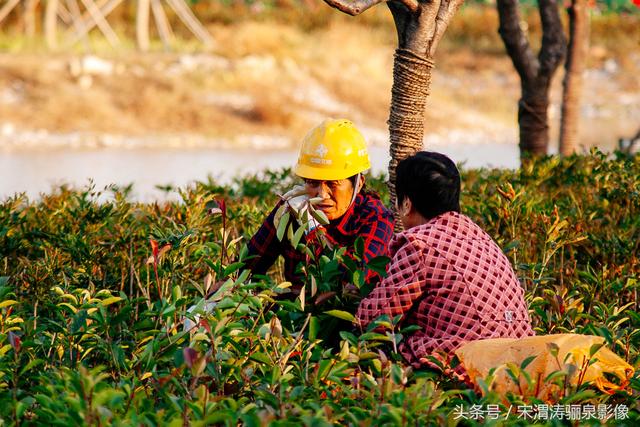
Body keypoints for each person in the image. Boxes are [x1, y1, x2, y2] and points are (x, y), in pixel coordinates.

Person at [356, 151, 534, 368]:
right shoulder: (478, 234)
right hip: (521, 358)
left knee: (385, 349)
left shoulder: (419, 245)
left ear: (406, 204)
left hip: (467, 363)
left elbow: (372, 318)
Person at [245, 119, 394, 296]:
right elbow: (248, 265)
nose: (322, 195)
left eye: (333, 184)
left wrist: (312, 229)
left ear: (358, 183)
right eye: (313, 183)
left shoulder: (375, 218)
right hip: (295, 315)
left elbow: (348, 278)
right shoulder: (292, 207)